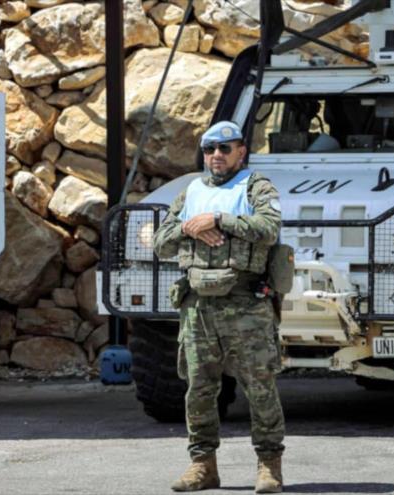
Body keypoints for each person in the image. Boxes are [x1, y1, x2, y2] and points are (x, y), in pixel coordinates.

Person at [153, 120, 285, 493]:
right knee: (199, 389)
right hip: (198, 308)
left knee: (260, 387)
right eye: (210, 148)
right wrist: (189, 228)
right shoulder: (191, 191)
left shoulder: (255, 186)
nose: (216, 155)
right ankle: (203, 466)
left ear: (241, 151)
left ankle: (269, 465)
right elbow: (161, 242)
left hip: (246, 303)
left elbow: (269, 227)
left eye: (225, 148)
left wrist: (219, 220)